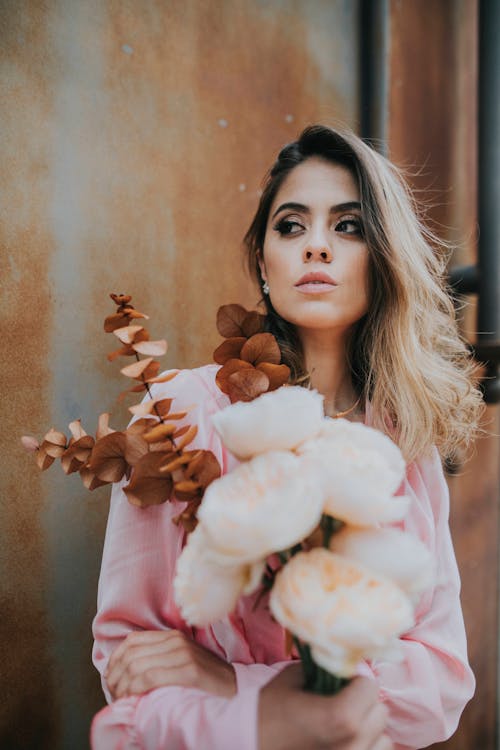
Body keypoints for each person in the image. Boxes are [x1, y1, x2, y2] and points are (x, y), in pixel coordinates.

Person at [91, 125, 482, 750]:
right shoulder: (181, 414)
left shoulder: (406, 443)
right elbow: (131, 663)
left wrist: (230, 682)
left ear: (382, 261)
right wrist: (285, 706)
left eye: (348, 226)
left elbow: (440, 683)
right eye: (291, 226)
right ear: (263, 264)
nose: (317, 247)